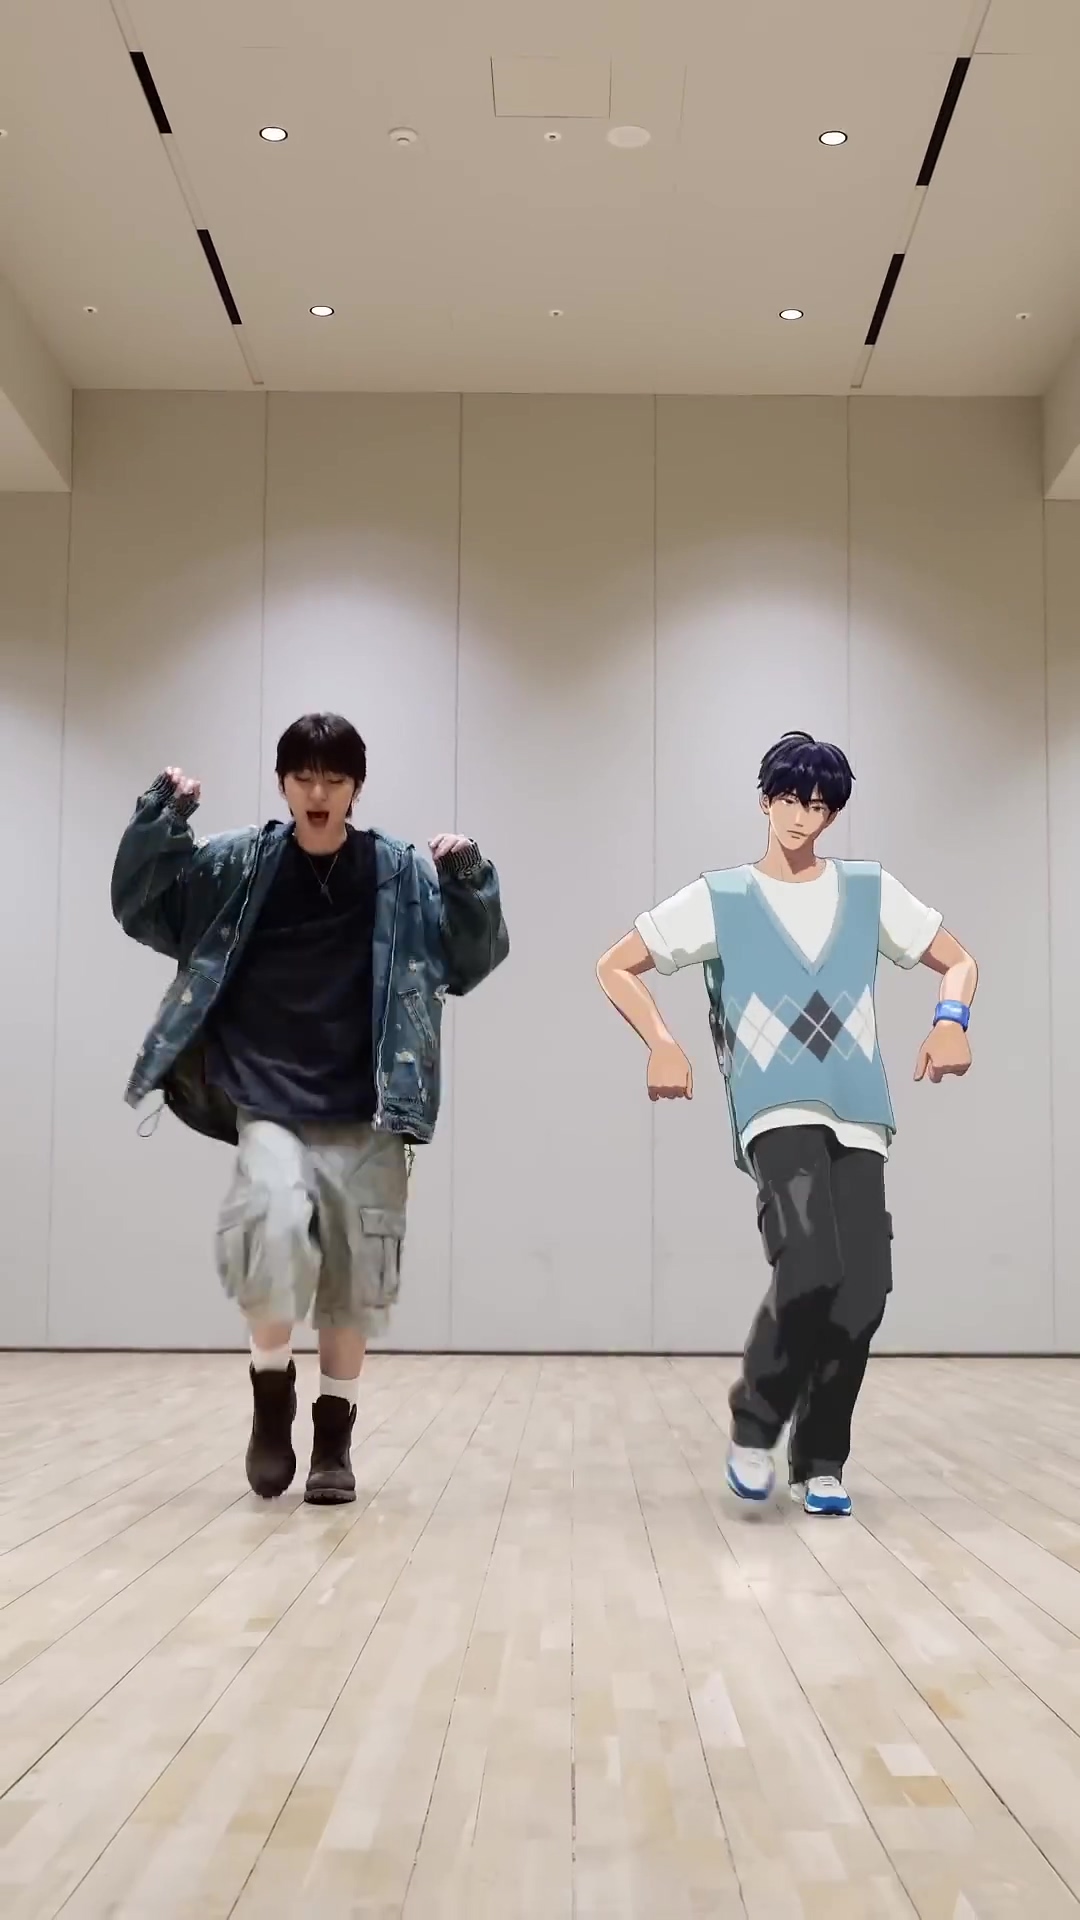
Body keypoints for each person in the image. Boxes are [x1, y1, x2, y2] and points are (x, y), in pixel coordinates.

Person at [112, 713, 508, 1505]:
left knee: (355, 1275)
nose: (318, 792)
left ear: (356, 787)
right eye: (304, 778)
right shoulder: (240, 863)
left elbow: (468, 961)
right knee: (271, 1227)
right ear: (283, 784)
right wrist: (160, 817)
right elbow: (144, 906)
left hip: (371, 1098)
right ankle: (271, 1399)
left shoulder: (399, 872)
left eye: (334, 778)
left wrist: (469, 880)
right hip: (268, 1092)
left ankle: (334, 1439)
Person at [595, 730, 976, 1517]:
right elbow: (616, 965)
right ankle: (756, 1423)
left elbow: (960, 961)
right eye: (793, 799)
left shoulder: (868, 890)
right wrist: (662, 1042)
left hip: (860, 1111)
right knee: (808, 1263)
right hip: (776, 1106)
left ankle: (820, 1460)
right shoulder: (724, 898)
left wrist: (950, 1021)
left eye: (821, 805)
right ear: (766, 799)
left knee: (864, 1288)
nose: (804, 817)